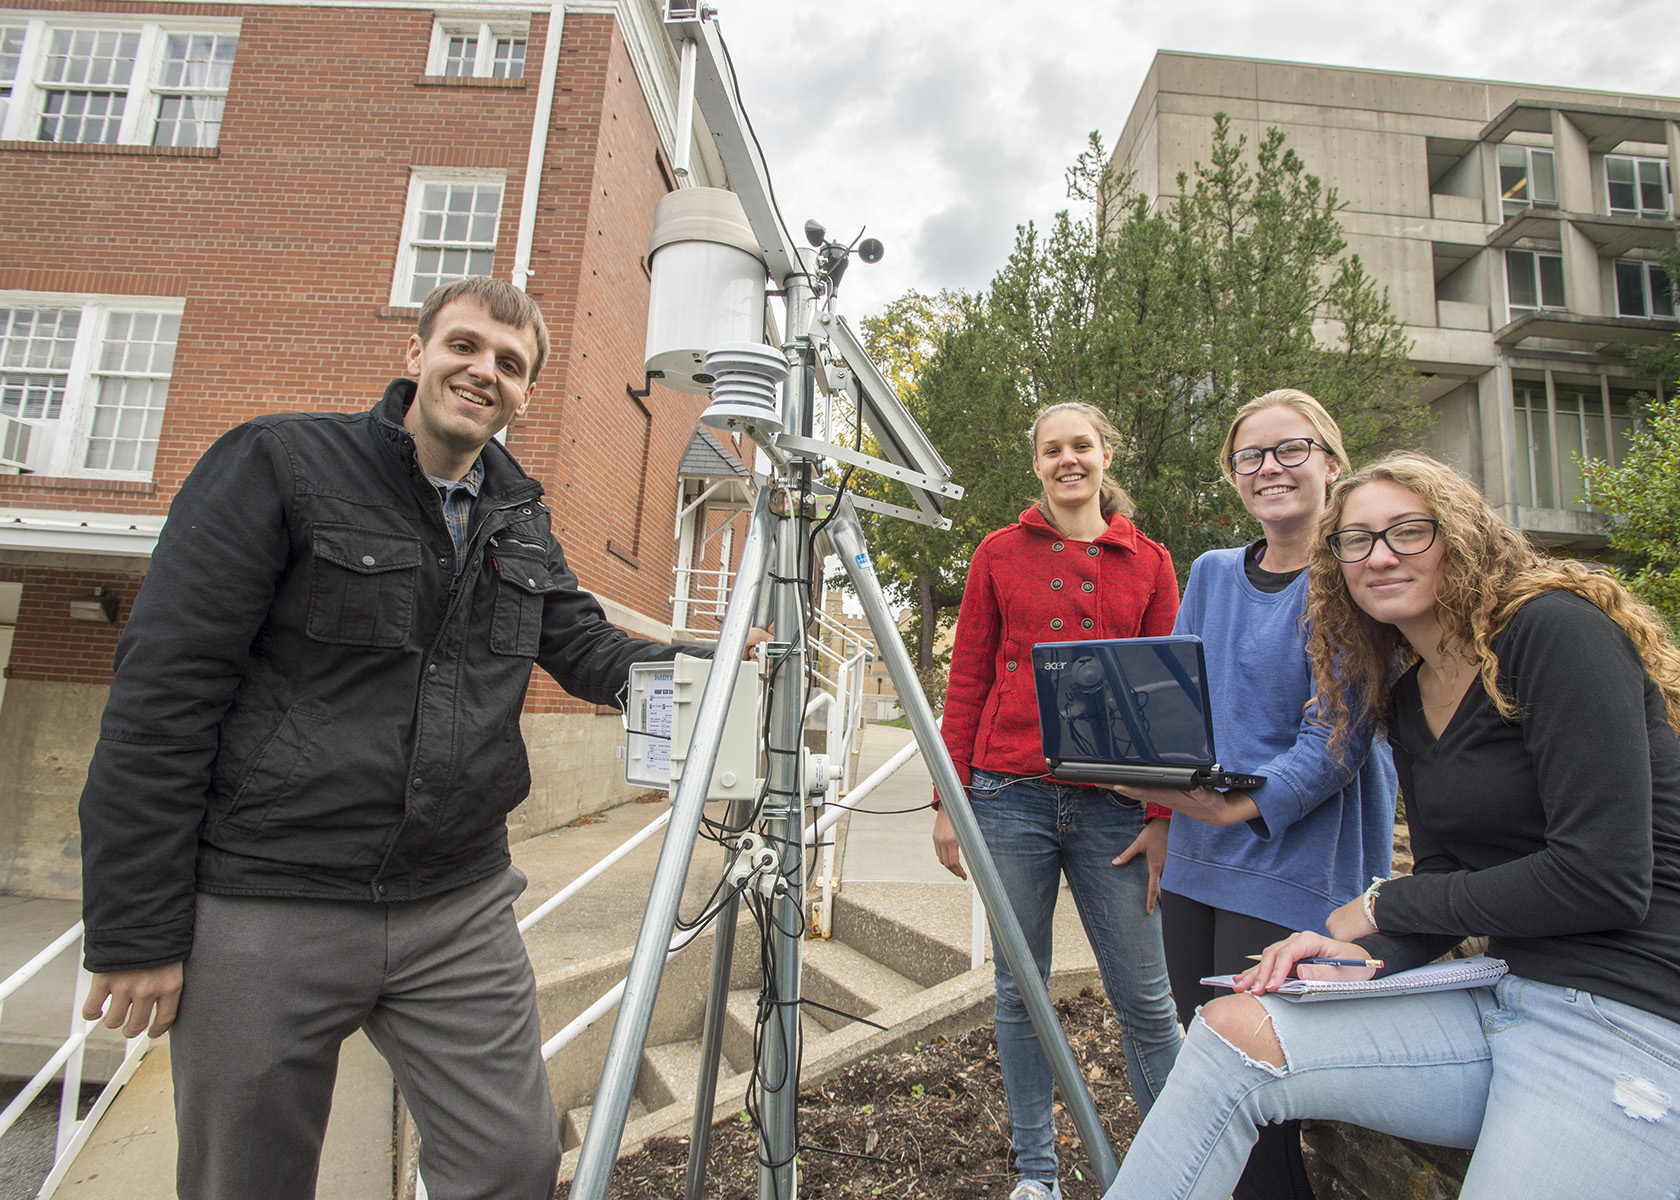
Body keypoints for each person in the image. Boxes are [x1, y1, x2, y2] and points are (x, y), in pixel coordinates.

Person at [77, 277, 712, 1199]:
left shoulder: (517, 516)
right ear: (415, 354)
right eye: (464, 346)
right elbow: (162, 697)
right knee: (244, 1180)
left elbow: (585, 647)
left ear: (525, 393)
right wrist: (136, 926)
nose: (483, 371)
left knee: (512, 1164)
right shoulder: (279, 463)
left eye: (510, 363)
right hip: (270, 897)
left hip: (453, 904)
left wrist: (723, 658)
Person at [1106, 451, 1680, 1200]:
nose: (1379, 556)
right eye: (1356, 540)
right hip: (1500, 995)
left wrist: (1382, 904)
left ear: (1464, 538)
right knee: (1229, 1031)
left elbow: (1603, 879)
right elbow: (1446, 875)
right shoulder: (1408, 694)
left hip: (1626, 1017)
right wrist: (1348, 943)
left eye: (1408, 532)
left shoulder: (1553, 633)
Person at [1113, 390, 1396, 1200]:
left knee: (1259, 1088)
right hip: (1200, 854)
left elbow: (1339, 738)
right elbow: (1180, 712)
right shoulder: (1208, 574)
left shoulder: (1355, 577)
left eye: (1290, 450)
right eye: (1250, 456)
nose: (1269, 468)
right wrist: (1163, 812)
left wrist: (1246, 804)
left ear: (1332, 463)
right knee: (1204, 1053)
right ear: (1234, 475)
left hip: (1291, 859)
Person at [933, 400, 1184, 1200]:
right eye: (1052, 449)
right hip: (1009, 796)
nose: (1067, 459)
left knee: (1147, 998)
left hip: (1114, 808)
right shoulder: (999, 554)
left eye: (1082, 445)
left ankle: (1177, 1168)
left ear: (1106, 455)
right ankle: (1036, 1174)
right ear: (1036, 463)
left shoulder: (1150, 562)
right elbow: (966, 678)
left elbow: (1166, 705)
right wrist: (950, 801)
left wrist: (1162, 817)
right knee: (1022, 989)